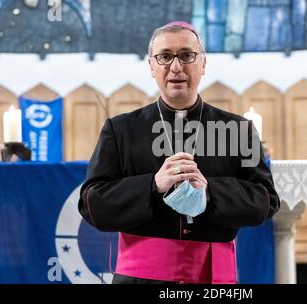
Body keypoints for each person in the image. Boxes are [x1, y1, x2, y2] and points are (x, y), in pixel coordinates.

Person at [78, 21, 280, 284]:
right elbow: (92, 204)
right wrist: (153, 185)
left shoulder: (239, 130)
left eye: (186, 55)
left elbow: (265, 201)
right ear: (151, 66)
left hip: (212, 277)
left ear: (203, 64)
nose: (176, 67)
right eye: (165, 57)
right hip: (141, 278)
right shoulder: (121, 130)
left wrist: (210, 191)